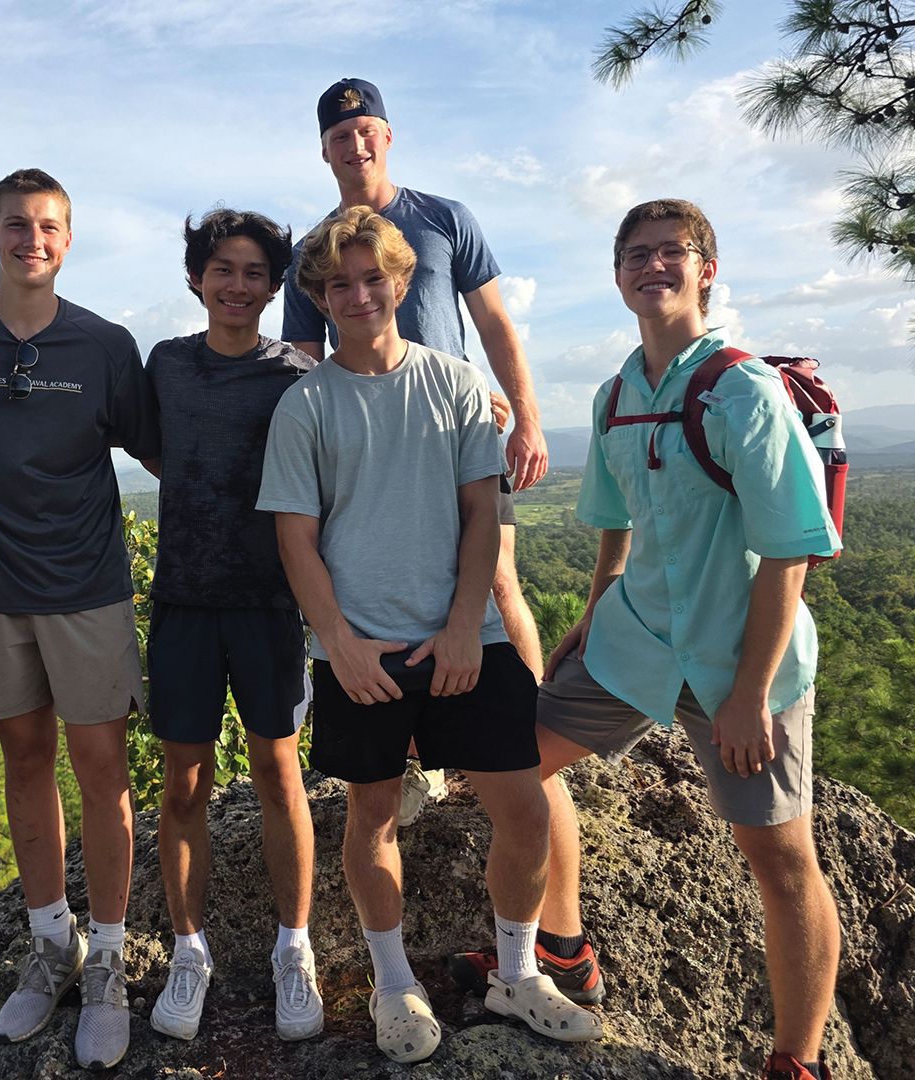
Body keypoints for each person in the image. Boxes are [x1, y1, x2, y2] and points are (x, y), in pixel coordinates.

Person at [258, 206, 602, 1065]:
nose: (359, 294)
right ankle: (392, 983)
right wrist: (334, 640)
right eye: (339, 283)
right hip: (360, 645)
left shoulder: (452, 382)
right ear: (319, 296)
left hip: (466, 637)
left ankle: (517, 973)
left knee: (522, 807)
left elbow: (481, 509)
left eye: (374, 277)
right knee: (371, 813)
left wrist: (461, 627)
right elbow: (295, 535)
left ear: (403, 283)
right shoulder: (305, 406)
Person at [534, 199, 842, 1080]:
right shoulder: (616, 395)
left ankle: (799, 1060)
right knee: (514, 767)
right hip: (634, 642)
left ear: (708, 270)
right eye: (636, 254)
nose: (653, 265)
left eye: (674, 252)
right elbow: (613, 526)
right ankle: (560, 949)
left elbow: (790, 549)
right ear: (618, 275)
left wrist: (749, 694)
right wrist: (590, 620)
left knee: (780, 859)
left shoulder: (744, 389)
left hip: (734, 659)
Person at [0, 169, 161, 1071]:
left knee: (99, 768)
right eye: (17, 225)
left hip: (86, 587)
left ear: (69, 237)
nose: (33, 239)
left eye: (49, 226)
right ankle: (51, 945)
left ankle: (108, 961)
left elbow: (163, 448)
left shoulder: (103, 343)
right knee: (24, 759)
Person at [281, 77, 550, 827]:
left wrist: (523, 413)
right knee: (373, 593)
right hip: (364, 444)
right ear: (325, 151)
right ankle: (405, 760)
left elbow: (493, 322)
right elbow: (302, 358)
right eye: (340, 136)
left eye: (366, 129)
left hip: (457, 426)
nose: (354, 143)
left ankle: (519, 735)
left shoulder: (443, 218)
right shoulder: (315, 251)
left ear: (387, 136)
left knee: (497, 581)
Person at [138, 209, 321, 1043]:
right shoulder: (167, 365)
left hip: (270, 603)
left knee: (281, 776)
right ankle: (188, 949)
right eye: (223, 269)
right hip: (182, 597)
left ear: (274, 287)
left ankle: (295, 948)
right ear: (196, 278)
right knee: (182, 784)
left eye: (254, 272)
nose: (238, 284)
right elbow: (154, 450)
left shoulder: (297, 373)